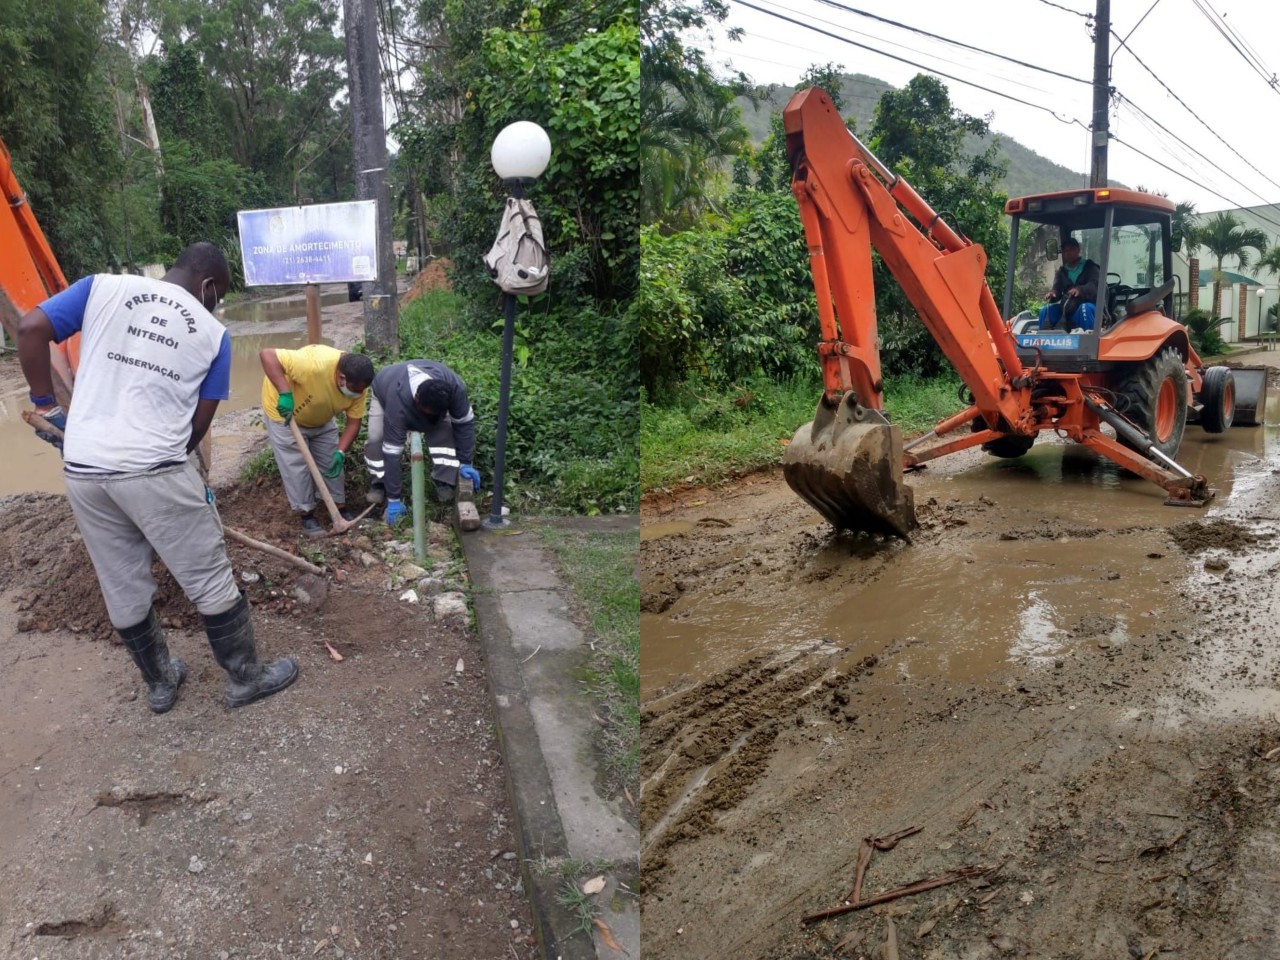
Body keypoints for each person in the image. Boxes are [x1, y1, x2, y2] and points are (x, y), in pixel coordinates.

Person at [17, 242, 299, 714]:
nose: (217, 303)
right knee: (208, 577)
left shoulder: (101, 288)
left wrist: (46, 404)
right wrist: (169, 462)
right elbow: (199, 424)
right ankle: (247, 678)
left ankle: (161, 684)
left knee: (121, 582)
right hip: (154, 468)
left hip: (84, 470)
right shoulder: (213, 334)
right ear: (209, 286)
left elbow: (30, 328)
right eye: (220, 294)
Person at [259, 345, 374, 538]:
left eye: (361, 390)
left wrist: (340, 452)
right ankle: (307, 514)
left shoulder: (359, 388)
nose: (357, 393)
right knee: (296, 466)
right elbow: (267, 355)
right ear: (341, 377)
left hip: (322, 416)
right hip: (286, 416)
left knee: (331, 461)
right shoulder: (314, 365)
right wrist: (285, 394)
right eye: (354, 389)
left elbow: (354, 423)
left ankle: (339, 509)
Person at [363, 359, 482, 525]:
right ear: (417, 399)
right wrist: (394, 499)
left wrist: (465, 463)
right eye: (428, 413)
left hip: (427, 400)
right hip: (386, 389)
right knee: (376, 438)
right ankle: (379, 483)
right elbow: (392, 452)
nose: (430, 417)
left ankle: (444, 481)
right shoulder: (396, 403)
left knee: (444, 431)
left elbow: (464, 424)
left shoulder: (455, 389)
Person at [1039, 236, 1101, 332]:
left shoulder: (1090, 267)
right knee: (1045, 310)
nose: (1068, 253)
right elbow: (1057, 289)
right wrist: (1053, 293)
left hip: (1088, 306)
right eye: (1065, 250)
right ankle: (1042, 342)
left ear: (1078, 249)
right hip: (1067, 309)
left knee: (1085, 308)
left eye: (1071, 249)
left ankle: (1090, 342)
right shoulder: (1062, 271)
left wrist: (1080, 290)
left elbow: (1095, 285)